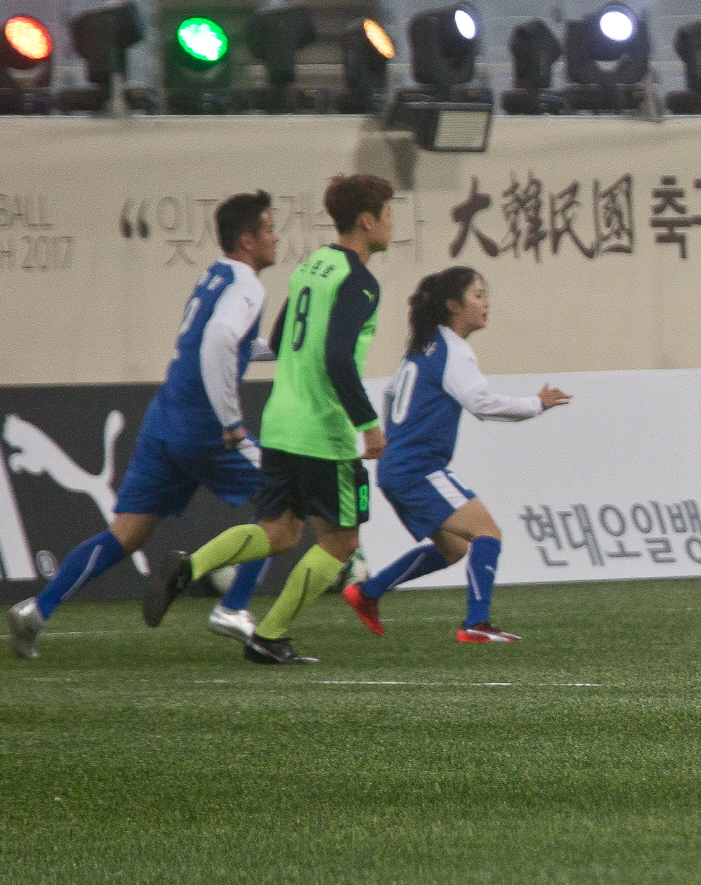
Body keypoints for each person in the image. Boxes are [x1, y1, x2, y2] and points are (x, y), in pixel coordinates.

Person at [9, 192, 280, 658]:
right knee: (283, 503)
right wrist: (232, 422)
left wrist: (273, 352)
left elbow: (213, 341)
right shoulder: (249, 286)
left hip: (163, 418)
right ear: (247, 240)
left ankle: (37, 609)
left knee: (127, 532)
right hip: (204, 425)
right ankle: (233, 606)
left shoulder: (214, 276)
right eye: (270, 230)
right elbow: (218, 342)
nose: (277, 239)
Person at [143, 174, 396, 664]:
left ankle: (191, 566)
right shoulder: (360, 282)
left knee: (279, 530)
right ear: (367, 222)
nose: (390, 225)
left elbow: (279, 343)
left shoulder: (311, 267)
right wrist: (368, 424)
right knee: (342, 543)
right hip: (324, 431)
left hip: (280, 422)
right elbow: (339, 360)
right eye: (387, 215)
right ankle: (271, 634)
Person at [341, 267, 570, 643]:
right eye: (477, 295)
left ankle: (367, 592)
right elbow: (481, 403)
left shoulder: (421, 349)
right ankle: (475, 624)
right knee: (487, 533)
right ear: (452, 305)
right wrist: (537, 403)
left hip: (397, 467)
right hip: (417, 468)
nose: (485, 303)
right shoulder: (452, 349)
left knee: (453, 548)